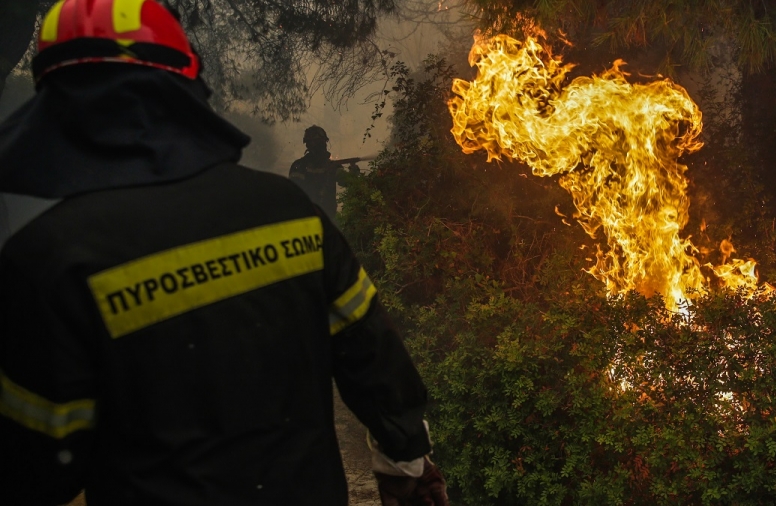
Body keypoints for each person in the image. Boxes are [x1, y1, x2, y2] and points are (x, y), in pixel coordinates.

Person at [0, 1, 448, 506]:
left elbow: (36, 465)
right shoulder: (288, 210)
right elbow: (375, 360)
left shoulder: (46, 258)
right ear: (187, 87)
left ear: (56, 106)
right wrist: (405, 464)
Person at [289, 126, 358, 222]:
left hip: (308, 220)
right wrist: (354, 172)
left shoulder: (297, 166)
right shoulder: (331, 166)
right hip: (323, 220)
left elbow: (292, 195)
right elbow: (348, 181)